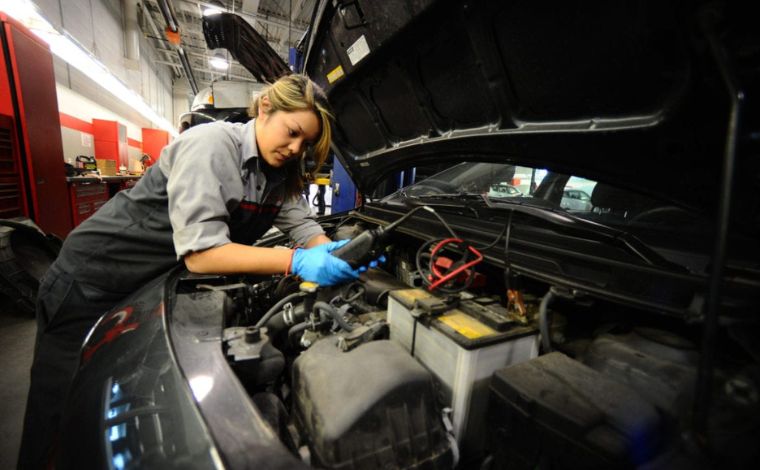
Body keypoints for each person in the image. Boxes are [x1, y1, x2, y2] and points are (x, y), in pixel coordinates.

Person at [18, 74, 367, 469]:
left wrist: (335, 258)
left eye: (304, 144)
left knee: (93, 408)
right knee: (57, 414)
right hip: (91, 279)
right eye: (292, 133)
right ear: (266, 108)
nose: (294, 148)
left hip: (141, 286)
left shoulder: (278, 176)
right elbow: (202, 255)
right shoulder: (213, 146)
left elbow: (305, 228)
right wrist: (296, 261)